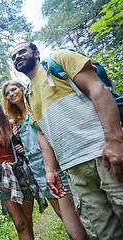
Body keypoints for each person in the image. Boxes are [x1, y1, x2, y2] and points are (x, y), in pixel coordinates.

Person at [11, 42, 123, 239]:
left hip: (103, 153)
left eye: (22, 52)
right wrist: (50, 170)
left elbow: (97, 89)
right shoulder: (29, 95)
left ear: (36, 53)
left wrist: (114, 140)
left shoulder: (59, 61)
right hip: (73, 169)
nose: (17, 57)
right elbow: (42, 133)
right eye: (13, 57)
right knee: (103, 230)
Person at [2, 80, 88, 239]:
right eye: (7, 93)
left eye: (14, 89)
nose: (11, 94)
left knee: (72, 216)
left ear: (22, 89)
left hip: (53, 164)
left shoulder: (35, 109)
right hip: (37, 170)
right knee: (61, 214)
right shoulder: (17, 121)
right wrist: (20, 145)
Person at [0, 97, 35, 240]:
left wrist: (21, 147)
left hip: (20, 172)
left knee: (28, 221)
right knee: (19, 223)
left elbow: (26, 144)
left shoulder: (11, 124)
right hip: (2, 177)